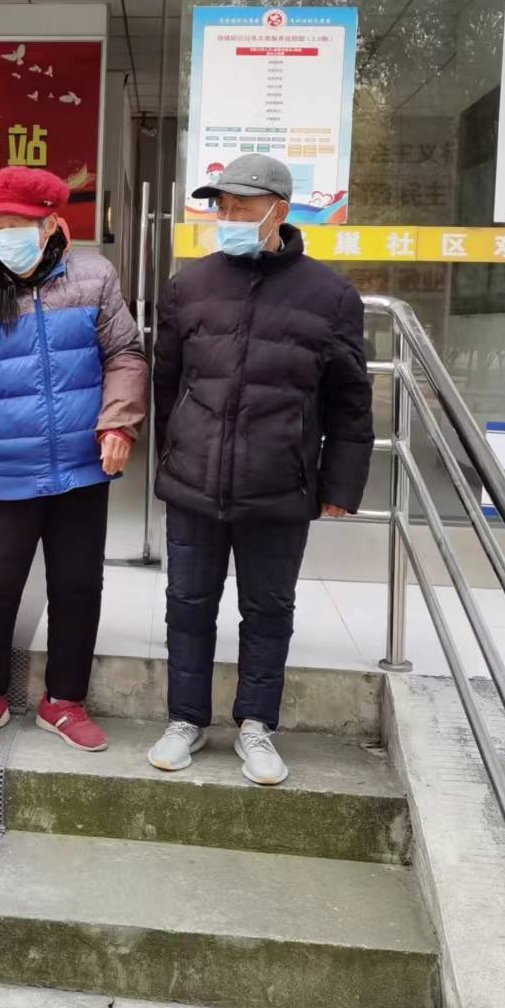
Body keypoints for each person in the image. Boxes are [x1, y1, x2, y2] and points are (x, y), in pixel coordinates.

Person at [147, 155, 374, 785]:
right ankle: (185, 719)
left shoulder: (330, 296)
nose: (228, 217)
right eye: (221, 206)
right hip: (195, 481)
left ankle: (256, 725)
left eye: (241, 207)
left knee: (268, 609)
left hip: (279, 482)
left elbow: (350, 400)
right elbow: (167, 382)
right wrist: (173, 454)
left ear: (279, 210)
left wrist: (339, 483)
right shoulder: (189, 286)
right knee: (187, 605)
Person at [0, 166, 147, 753]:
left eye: (18, 224)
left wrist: (118, 422)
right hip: (5, 466)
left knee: (78, 583)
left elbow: (125, 354)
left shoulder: (93, 276)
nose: (5, 235)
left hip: (82, 465)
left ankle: (64, 702)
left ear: (51, 224)